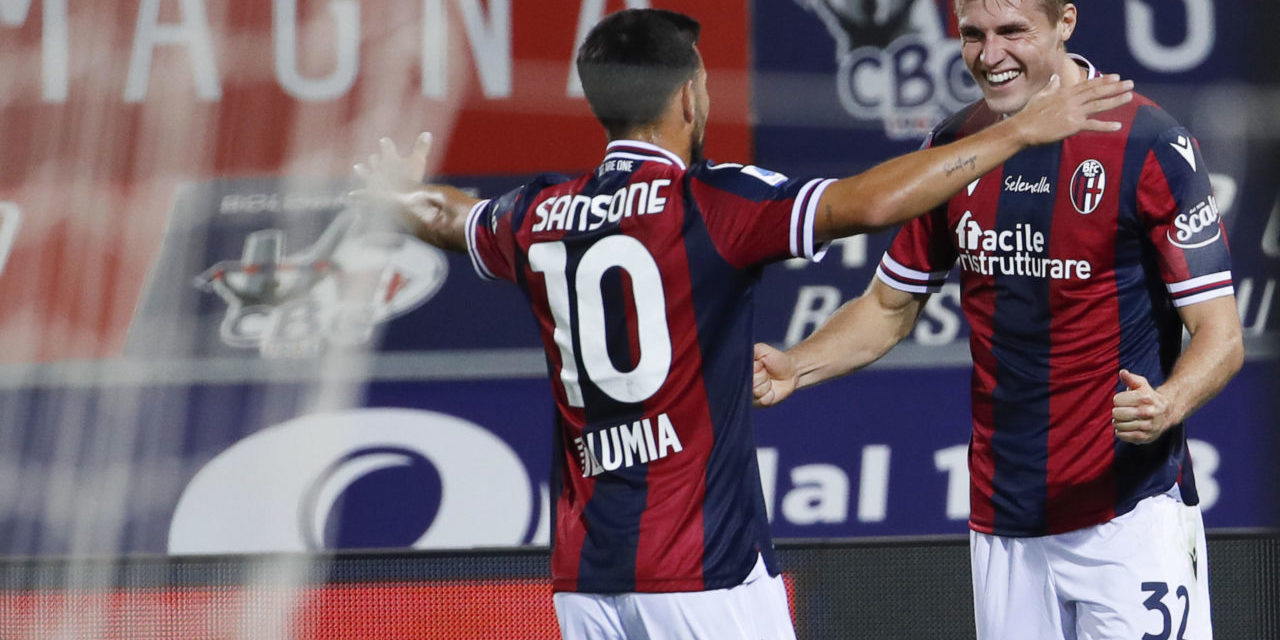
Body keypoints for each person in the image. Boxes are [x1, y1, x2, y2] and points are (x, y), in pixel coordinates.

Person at [353, 8, 1131, 639]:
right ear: (689, 95)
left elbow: (456, 219)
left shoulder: (540, 214)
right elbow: (869, 201)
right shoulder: (712, 204)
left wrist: (405, 199)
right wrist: (1019, 131)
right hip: (706, 577)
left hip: (585, 584)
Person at [752, 1, 1244, 638]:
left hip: (1130, 516)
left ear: (1065, 23)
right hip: (1005, 525)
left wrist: (1170, 401)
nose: (990, 56)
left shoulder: (1148, 141)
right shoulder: (956, 150)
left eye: (1013, 31)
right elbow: (886, 306)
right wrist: (798, 365)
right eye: (972, 35)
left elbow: (1221, 334)